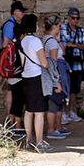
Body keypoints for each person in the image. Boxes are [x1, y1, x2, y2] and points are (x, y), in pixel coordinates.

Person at [9, 14, 50, 151]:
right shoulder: (35, 42)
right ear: (34, 26)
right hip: (36, 77)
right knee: (39, 111)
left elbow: (22, 62)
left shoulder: (22, 41)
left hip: (25, 77)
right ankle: (39, 141)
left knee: (28, 110)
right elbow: (44, 63)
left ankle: (29, 140)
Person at [0, 1, 28, 121]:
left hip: (10, 65)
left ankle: (11, 122)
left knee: (12, 92)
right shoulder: (10, 25)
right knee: (16, 95)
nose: (23, 13)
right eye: (22, 11)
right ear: (15, 12)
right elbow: (6, 44)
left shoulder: (11, 23)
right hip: (11, 65)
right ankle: (13, 123)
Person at [42, 17, 71, 140]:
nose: (60, 28)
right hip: (55, 75)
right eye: (58, 26)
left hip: (56, 74)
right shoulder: (51, 42)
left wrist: (58, 40)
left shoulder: (50, 40)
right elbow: (53, 62)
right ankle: (51, 130)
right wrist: (57, 81)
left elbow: (62, 52)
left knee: (59, 102)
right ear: (54, 27)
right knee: (54, 103)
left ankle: (58, 127)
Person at [60, 8, 84, 120]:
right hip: (65, 62)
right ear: (68, 17)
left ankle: (72, 111)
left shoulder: (80, 31)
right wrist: (74, 45)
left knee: (74, 89)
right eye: (73, 18)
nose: (75, 20)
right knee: (64, 87)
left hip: (77, 63)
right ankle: (63, 112)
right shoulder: (62, 29)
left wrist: (73, 45)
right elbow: (62, 44)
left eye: (77, 18)